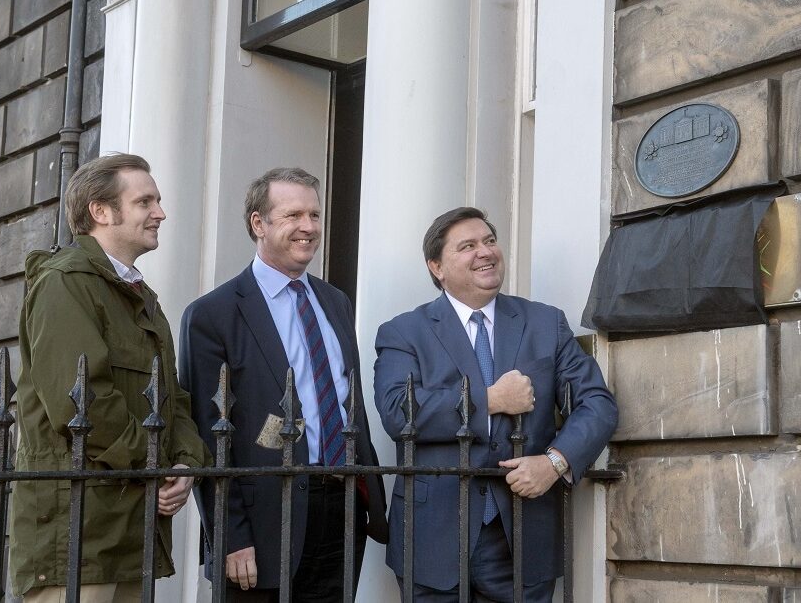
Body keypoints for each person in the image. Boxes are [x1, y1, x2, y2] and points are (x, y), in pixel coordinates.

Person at [374, 207, 618, 602]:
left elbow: (598, 404)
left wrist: (554, 462)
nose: (485, 252)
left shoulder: (545, 323)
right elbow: (397, 411)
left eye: (489, 241)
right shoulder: (404, 332)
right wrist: (489, 400)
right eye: (467, 246)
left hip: (522, 538)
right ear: (437, 267)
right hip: (432, 538)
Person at [179, 167, 388, 601]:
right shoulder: (213, 315)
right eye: (293, 215)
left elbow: (349, 403)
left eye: (314, 215)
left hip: (342, 508)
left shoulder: (335, 301)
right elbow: (207, 432)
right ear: (259, 223)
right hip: (261, 522)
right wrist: (229, 534)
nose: (309, 227)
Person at [9, 153, 209, 601]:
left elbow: (172, 400)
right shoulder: (66, 282)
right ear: (101, 211)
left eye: (157, 201)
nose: (160, 212)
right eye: (145, 202)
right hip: (75, 535)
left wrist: (183, 462)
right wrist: (154, 466)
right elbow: (83, 403)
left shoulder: (141, 297)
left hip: (130, 531)